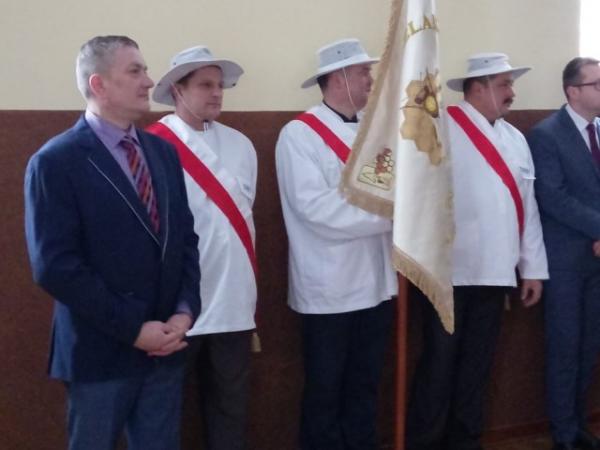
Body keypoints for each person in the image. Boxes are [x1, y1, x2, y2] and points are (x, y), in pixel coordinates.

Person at [23, 35, 201, 450]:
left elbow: (185, 239)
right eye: (135, 71)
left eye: (145, 70)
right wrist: (133, 329)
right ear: (99, 84)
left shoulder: (162, 153)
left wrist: (184, 309)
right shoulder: (55, 161)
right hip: (99, 352)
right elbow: (54, 266)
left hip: (164, 347)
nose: (149, 81)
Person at [406, 53, 548, 450]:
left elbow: (527, 207)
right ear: (478, 88)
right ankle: (425, 443)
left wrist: (532, 268)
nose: (511, 92)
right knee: (439, 364)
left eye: (510, 84)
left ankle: (465, 441)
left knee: (476, 366)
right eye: (504, 84)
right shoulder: (442, 128)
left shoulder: (515, 139)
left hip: (495, 271)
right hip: (448, 274)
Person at [275, 38, 398, 450]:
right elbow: (317, 210)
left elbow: (387, 192)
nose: (370, 79)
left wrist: (392, 210)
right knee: (325, 391)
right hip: (329, 287)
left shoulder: (373, 131)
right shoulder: (299, 135)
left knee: (365, 385)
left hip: (376, 282)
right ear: (339, 77)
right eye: (363, 72)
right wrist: (390, 216)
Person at [147, 46, 257, 450]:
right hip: (177, 306)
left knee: (231, 409)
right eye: (205, 85)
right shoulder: (152, 144)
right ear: (178, 90)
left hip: (233, 300)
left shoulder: (242, 145)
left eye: (220, 85)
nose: (216, 93)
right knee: (163, 411)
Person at [527, 57, 600, 450]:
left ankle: (580, 426)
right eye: (597, 84)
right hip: (565, 260)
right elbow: (554, 198)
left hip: (596, 258)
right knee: (565, 347)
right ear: (573, 91)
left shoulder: (599, 130)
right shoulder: (547, 134)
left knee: (589, 347)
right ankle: (564, 433)